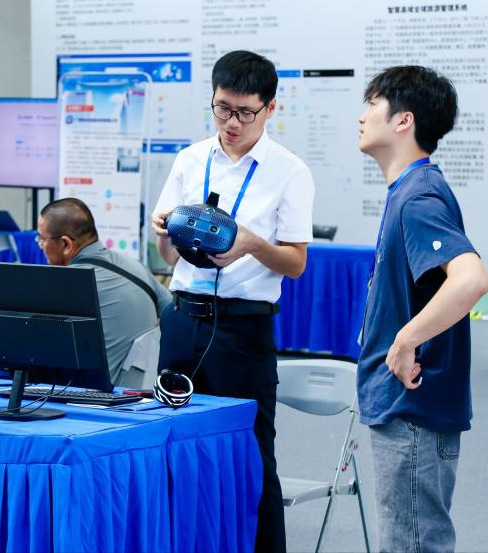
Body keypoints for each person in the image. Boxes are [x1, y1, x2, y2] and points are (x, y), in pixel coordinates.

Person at [151, 50, 314, 553]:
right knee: (170, 445)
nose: (232, 123)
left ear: (270, 108)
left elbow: (295, 263)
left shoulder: (289, 171)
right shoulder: (190, 159)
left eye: (245, 112)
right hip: (183, 319)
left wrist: (252, 245)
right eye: (222, 109)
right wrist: (164, 234)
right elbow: (165, 256)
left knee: (251, 456)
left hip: (244, 328)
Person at [356, 65, 488, 553]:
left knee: (411, 542)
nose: (362, 116)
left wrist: (405, 339)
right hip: (407, 405)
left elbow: (471, 279)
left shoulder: (418, 196)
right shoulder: (410, 191)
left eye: (372, 104)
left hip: (412, 407)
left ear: (403, 120)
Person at [37, 197, 172, 384]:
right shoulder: (137, 268)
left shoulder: (64, 283)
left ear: (66, 244)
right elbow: (173, 314)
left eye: (42, 239)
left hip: (92, 395)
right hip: (144, 389)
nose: (41, 246)